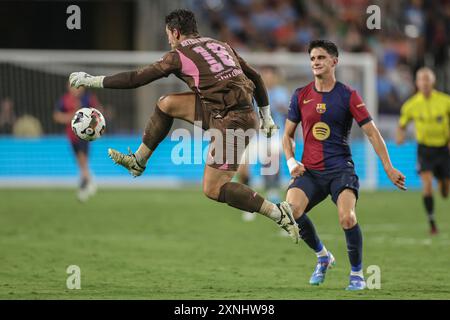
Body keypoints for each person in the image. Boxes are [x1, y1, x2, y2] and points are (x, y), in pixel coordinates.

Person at [68, 9, 300, 242]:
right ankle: (138, 161)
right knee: (166, 104)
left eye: (169, 35)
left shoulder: (178, 55)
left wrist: (92, 80)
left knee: (214, 188)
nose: (169, 40)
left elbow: (136, 79)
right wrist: (267, 117)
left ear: (176, 32)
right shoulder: (221, 45)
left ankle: (278, 212)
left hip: (234, 121)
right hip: (227, 111)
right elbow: (256, 77)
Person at [282, 40, 406, 290]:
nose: (316, 62)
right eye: (313, 58)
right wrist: (291, 161)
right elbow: (287, 136)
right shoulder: (301, 95)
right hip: (311, 171)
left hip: (340, 169)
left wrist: (388, 167)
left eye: (321, 58)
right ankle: (323, 256)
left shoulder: (348, 95)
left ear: (334, 62)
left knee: (347, 218)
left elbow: (372, 133)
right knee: (290, 211)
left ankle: (357, 274)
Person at [396, 67, 450, 235]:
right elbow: (402, 124)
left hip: (443, 148)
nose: (425, 83)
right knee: (426, 185)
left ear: (433, 82)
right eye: (422, 80)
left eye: (428, 80)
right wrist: (400, 136)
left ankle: (442, 183)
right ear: (417, 83)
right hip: (425, 150)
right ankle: (432, 223)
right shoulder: (411, 105)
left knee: (445, 190)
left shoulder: (445, 101)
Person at [239, 65, 290, 222]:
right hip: (254, 134)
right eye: (265, 75)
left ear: (275, 77)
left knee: (271, 165)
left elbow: (287, 111)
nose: (268, 78)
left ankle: (273, 199)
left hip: (273, 135)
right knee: (243, 170)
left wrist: (275, 106)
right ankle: (249, 202)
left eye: (270, 75)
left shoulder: (281, 92)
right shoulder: (253, 92)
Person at [53, 84, 99, 202]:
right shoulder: (65, 100)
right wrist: (71, 117)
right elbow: (57, 116)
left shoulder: (88, 98)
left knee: (83, 159)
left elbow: (97, 114)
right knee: (80, 161)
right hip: (71, 136)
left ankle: (84, 187)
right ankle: (89, 181)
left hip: (84, 134)